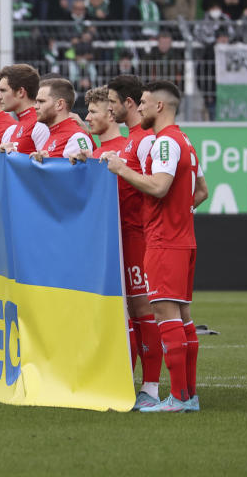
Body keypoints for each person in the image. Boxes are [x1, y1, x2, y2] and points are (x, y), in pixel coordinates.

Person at [104, 81, 208, 412]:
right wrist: (180, 214)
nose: (142, 109)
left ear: (159, 107)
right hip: (183, 239)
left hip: (163, 240)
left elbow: (160, 187)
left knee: (164, 313)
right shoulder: (185, 141)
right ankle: (187, 396)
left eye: (145, 103)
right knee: (184, 317)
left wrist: (122, 169)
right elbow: (202, 189)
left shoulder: (164, 143)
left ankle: (177, 398)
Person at [106, 75, 162, 410]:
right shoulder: (130, 141)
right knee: (130, 312)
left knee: (144, 311)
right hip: (123, 236)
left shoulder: (145, 141)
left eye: (112, 101)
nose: (109, 107)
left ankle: (152, 388)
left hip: (140, 236)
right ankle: (129, 382)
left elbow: (158, 186)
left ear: (128, 103)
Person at [30, 78, 93, 160]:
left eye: (41, 102)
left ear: (59, 104)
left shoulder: (77, 137)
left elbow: (82, 171)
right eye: (36, 102)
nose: (35, 107)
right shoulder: (52, 133)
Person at [0, 64, 50, 155]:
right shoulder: (11, 130)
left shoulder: (41, 126)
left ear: (21, 92)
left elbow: (47, 166)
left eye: (3, 91)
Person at [85, 87, 125, 156]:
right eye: (89, 112)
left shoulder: (124, 152)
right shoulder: (97, 153)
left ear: (110, 114)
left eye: (93, 112)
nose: (87, 118)